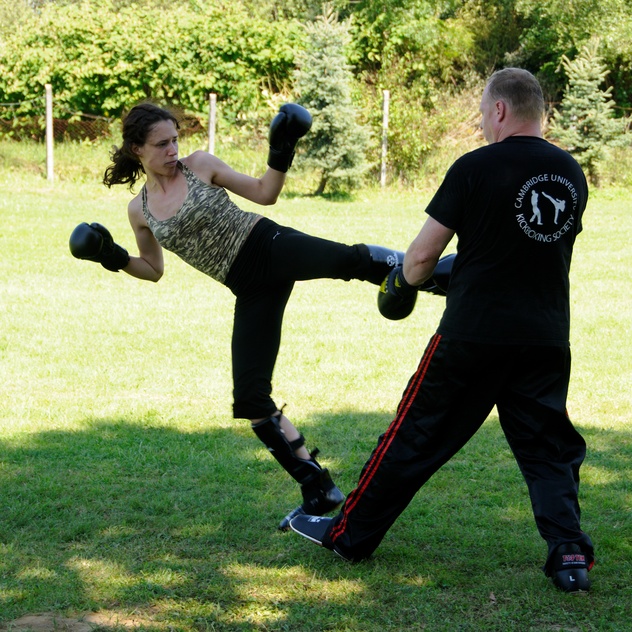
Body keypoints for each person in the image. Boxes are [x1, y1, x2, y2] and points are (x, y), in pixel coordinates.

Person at [68, 101, 449, 531]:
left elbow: (266, 192)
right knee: (251, 399)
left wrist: (281, 147)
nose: (173, 150)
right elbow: (152, 270)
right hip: (248, 288)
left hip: (267, 246)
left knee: (349, 260)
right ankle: (318, 487)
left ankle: (437, 275)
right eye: (162, 144)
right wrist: (112, 256)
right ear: (137, 148)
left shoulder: (199, 165)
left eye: (175, 139)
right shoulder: (139, 210)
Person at [289, 68, 595, 593]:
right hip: (545, 336)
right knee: (548, 449)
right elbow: (530, 251)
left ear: (500, 109)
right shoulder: (571, 172)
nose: (482, 122)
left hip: (473, 336)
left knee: (414, 436)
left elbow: (421, 256)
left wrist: (401, 284)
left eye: (483, 112)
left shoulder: (476, 166)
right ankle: (569, 553)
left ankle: (348, 536)